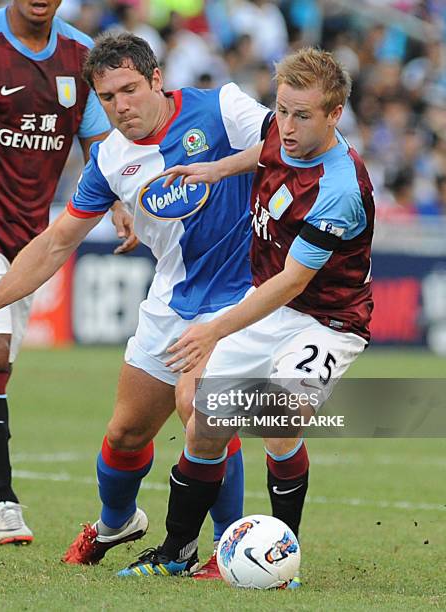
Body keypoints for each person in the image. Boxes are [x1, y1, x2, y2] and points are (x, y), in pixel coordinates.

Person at [0, 33, 271, 576]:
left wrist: (220, 167)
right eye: (108, 97)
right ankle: (116, 522)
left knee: (199, 409)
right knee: (124, 434)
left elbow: (290, 145)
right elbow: (56, 242)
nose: (122, 106)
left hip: (245, 296)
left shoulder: (222, 107)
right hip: (172, 300)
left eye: (131, 90)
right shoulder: (111, 161)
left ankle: (222, 547)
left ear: (157, 79)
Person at [115, 47, 375, 580]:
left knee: (278, 421)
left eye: (303, 115)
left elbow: (291, 282)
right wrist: (215, 169)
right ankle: (175, 554)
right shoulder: (286, 131)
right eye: (281, 110)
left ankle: (285, 560)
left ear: (335, 114)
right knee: (204, 418)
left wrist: (214, 329)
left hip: (328, 320)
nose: (287, 124)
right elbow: (265, 149)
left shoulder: (340, 189)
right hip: (274, 306)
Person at [0, 0, 119, 545]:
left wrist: (123, 202)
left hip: (30, 237)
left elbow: (102, 144)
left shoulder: (82, 55)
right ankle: (4, 504)